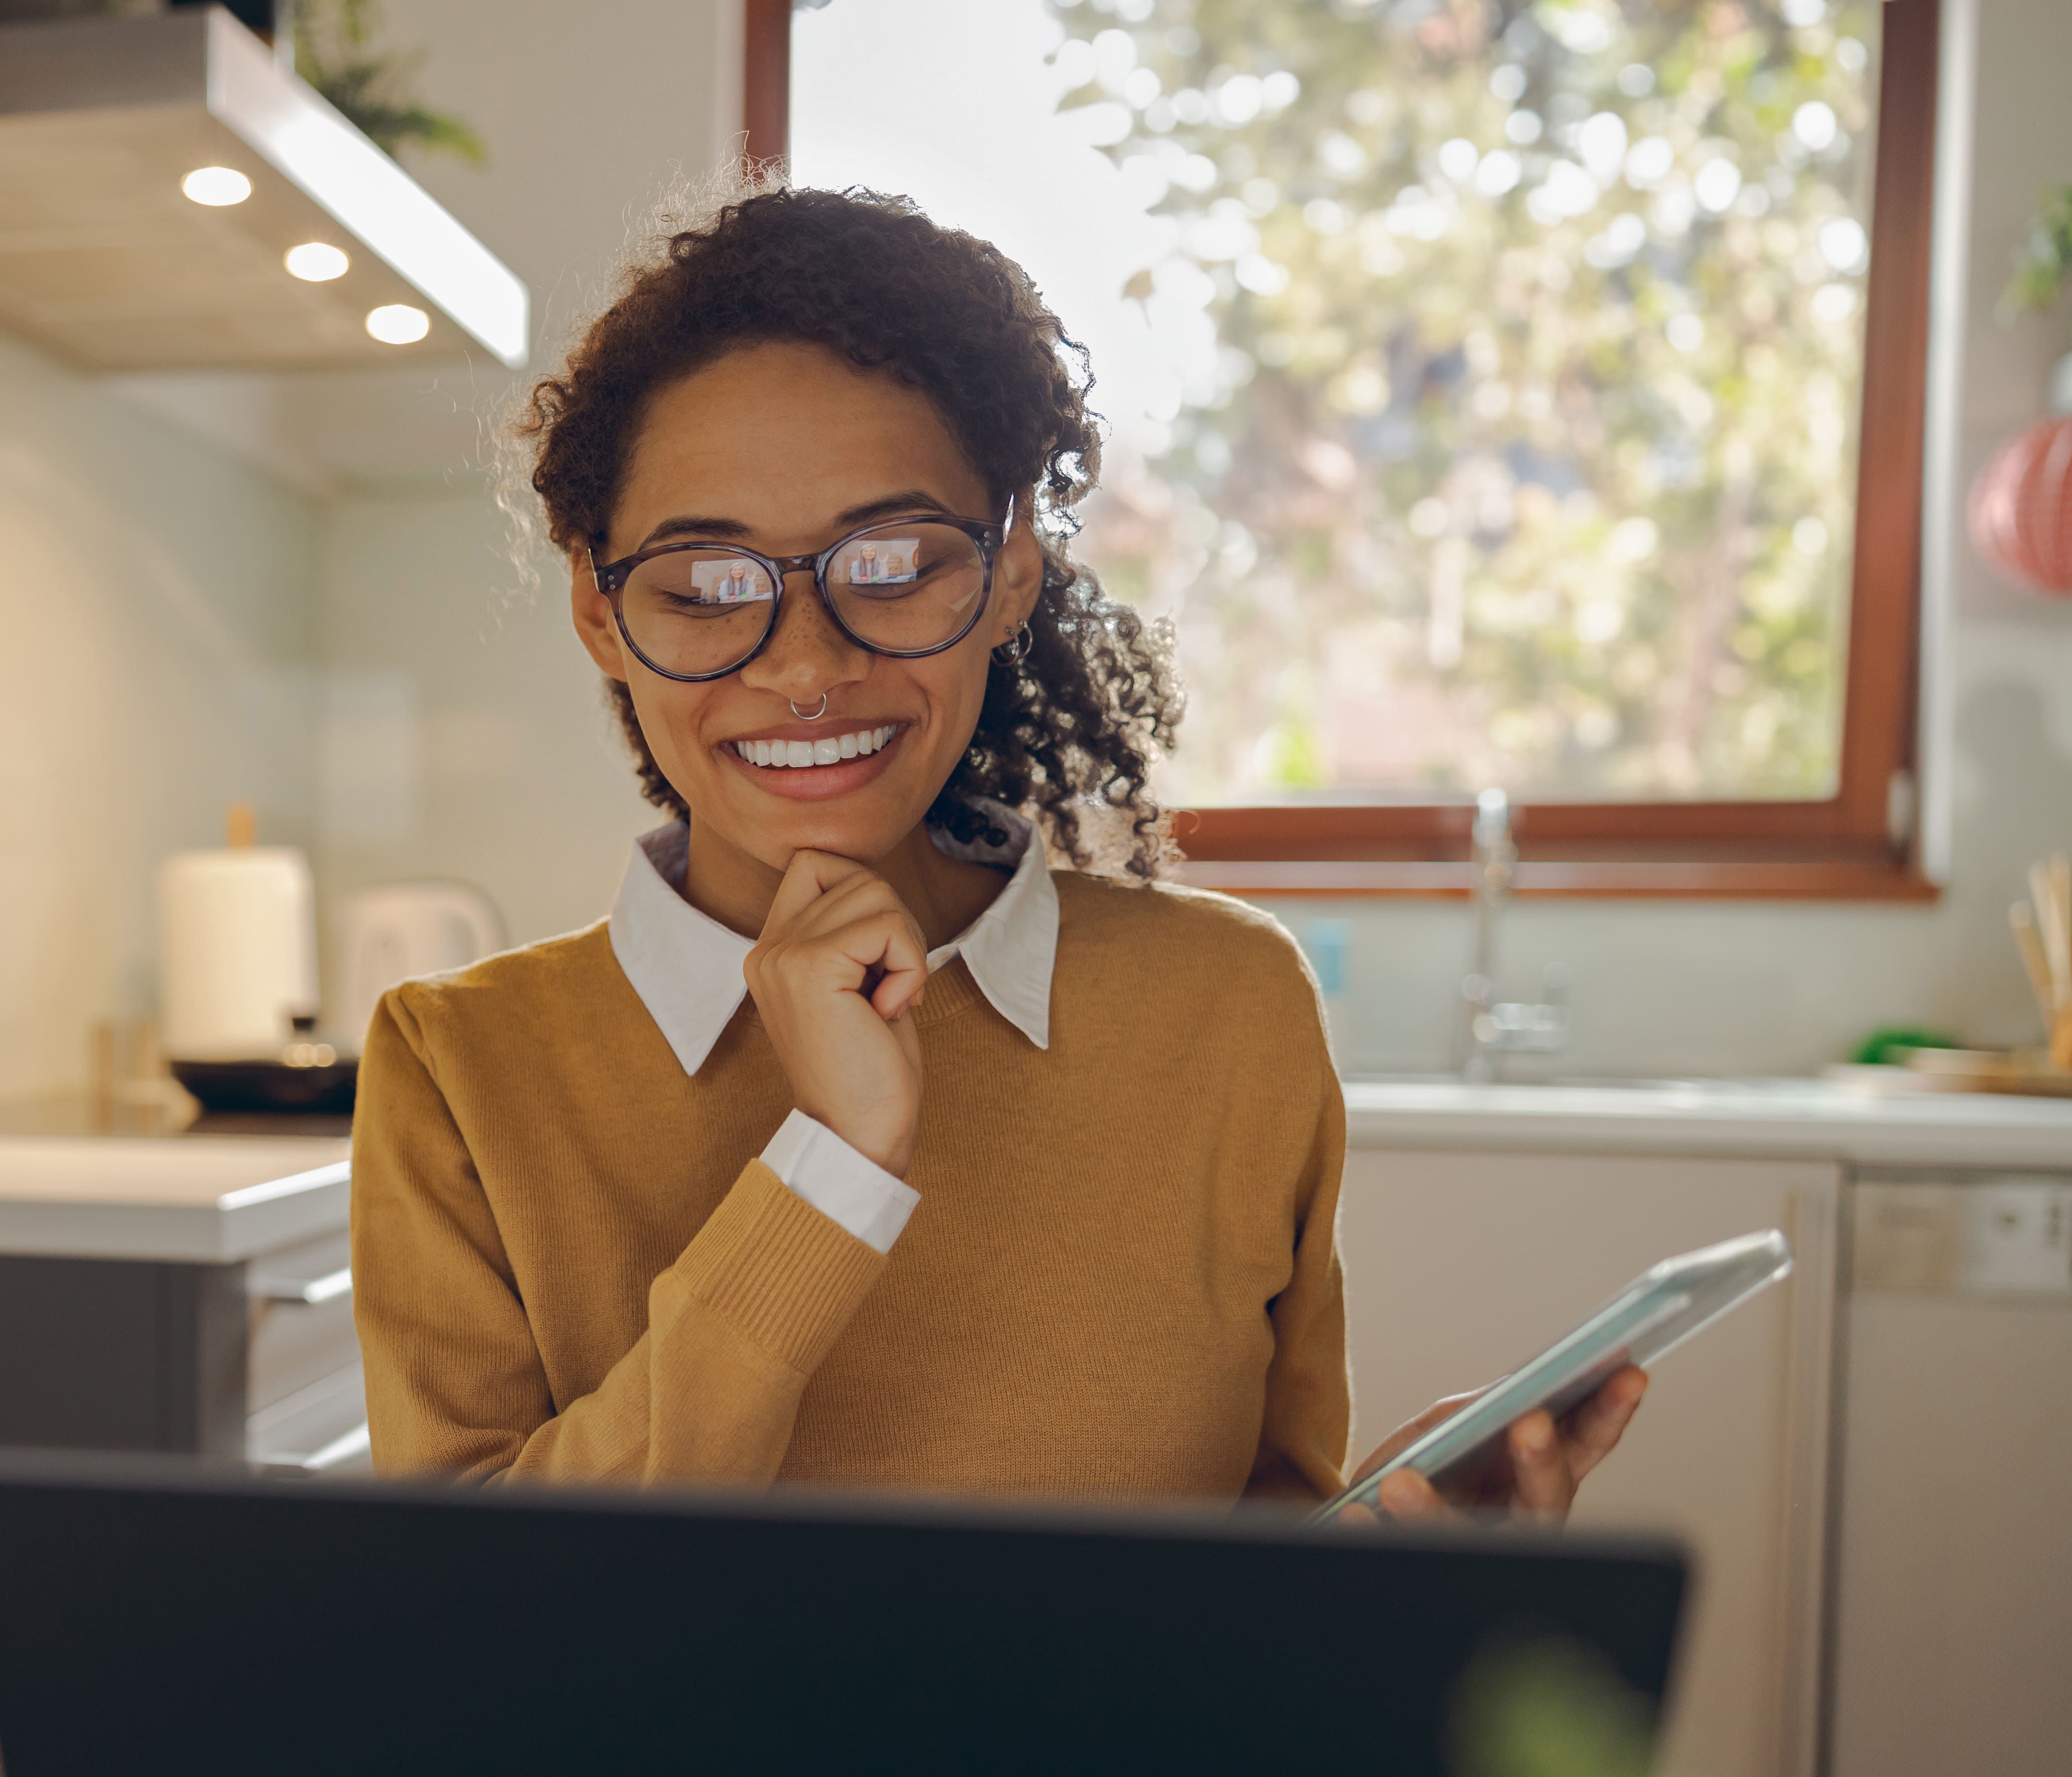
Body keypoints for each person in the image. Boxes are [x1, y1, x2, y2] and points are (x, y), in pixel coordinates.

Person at [350, 185, 1643, 1517]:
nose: (806, 665)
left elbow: (1255, 1555)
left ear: (1011, 567)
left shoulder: (1231, 1009)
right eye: (708, 584)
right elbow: (488, 1624)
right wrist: (834, 1166)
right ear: (601, 611)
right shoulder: (461, 1071)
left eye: (895, 561)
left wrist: (1379, 1568)